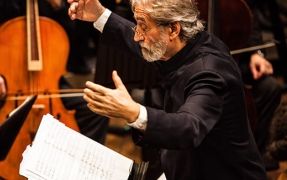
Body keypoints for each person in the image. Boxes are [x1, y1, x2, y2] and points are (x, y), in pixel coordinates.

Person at [66, 0, 267, 179]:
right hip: (187, 167)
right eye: (138, 25)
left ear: (173, 29)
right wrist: (100, 14)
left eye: (143, 27)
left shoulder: (209, 73)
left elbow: (189, 127)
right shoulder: (183, 45)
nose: (137, 36)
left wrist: (134, 112)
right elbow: (142, 43)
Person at [0, 0, 109, 177]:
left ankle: (73, 173)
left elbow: (73, 45)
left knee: (97, 109)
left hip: (44, 84)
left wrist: (58, 9)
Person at [240, 0, 282, 170]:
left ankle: (259, 155)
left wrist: (256, 53)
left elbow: (247, 17)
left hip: (236, 61)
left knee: (270, 87)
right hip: (198, 67)